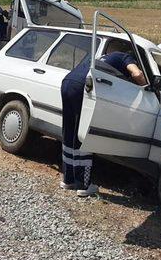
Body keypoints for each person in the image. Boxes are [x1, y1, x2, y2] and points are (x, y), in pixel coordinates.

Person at [61, 51, 146, 197]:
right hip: (84, 87)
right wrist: (146, 87)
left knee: (70, 132)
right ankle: (83, 185)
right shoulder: (126, 57)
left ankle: (68, 180)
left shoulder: (106, 56)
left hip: (68, 82)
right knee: (85, 135)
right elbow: (136, 74)